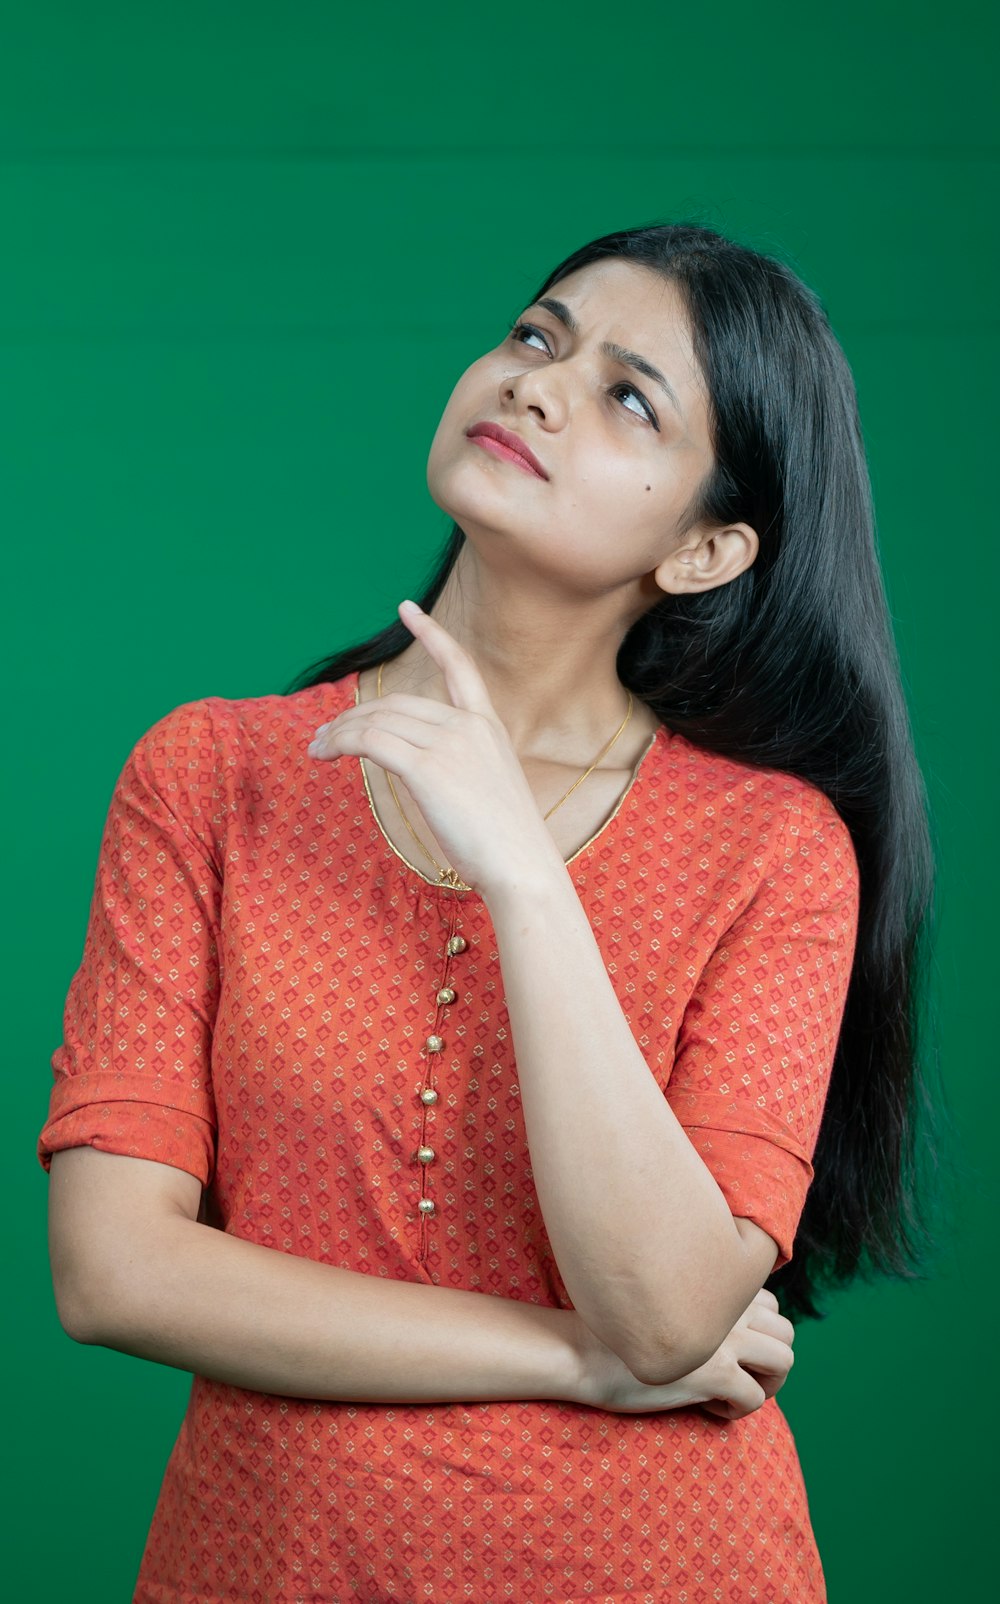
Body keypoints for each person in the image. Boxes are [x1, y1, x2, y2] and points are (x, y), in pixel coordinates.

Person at [40, 222, 935, 1603]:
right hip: (270, 1567)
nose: (538, 385)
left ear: (706, 550)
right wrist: (574, 1358)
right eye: (537, 336)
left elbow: (667, 1303)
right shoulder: (210, 776)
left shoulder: (775, 848)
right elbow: (114, 1273)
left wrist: (525, 875)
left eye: (628, 395)